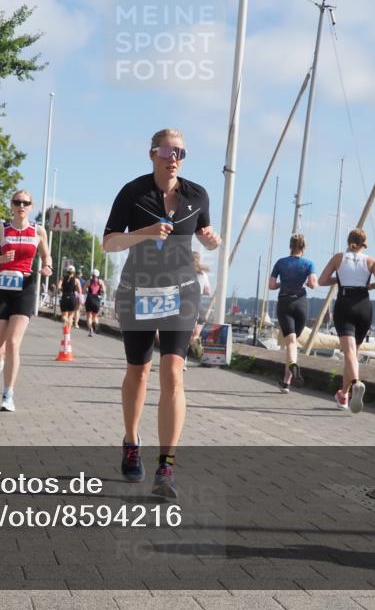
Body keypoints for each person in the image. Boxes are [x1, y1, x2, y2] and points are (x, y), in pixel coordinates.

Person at [103, 128, 221, 498]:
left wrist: (210, 239)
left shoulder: (197, 193)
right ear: (153, 153)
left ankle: (166, 467)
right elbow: (109, 243)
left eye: (181, 152)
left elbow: (205, 230)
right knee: (138, 371)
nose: (175, 157)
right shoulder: (133, 192)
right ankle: (131, 440)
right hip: (138, 289)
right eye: (168, 151)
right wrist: (146, 232)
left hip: (182, 290)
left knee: (173, 370)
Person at [0, 190, 52, 412]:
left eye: (25, 203)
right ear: (11, 205)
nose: (21, 205)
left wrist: (47, 266)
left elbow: (46, 255)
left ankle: (8, 394)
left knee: (13, 344)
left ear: (31, 206)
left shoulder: (38, 230)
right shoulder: (0, 228)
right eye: (17, 202)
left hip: (25, 288)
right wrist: (1, 259)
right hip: (2, 287)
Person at [317, 228, 375, 413]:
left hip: (345, 303)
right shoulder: (371, 261)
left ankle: (356, 383)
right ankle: (343, 395)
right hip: (364, 305)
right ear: (364, 244)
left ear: (349, 242)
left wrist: (339, 279)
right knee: (353, 354)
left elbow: (322, 281)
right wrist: (369, 285)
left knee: (348, 352)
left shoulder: (338, 258)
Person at [269, 233, 318, 392]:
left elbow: (271, 285)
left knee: (290, 342)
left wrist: (281, 284)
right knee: (293, 343)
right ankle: (286, 382)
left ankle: (289, 375)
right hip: (301, 304)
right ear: (304, 247)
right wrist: (305, 282)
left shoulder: (281, 262)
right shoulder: (309, 264)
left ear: (290, 246)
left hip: (285, 302)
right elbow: (313, 284)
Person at [188, 251, 212, 358]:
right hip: (198, 304)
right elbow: (208, 291)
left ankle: (183, 360)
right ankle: (197, 349)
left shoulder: (185, 272)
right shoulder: (203, 274)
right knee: (196, 334)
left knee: (184, 335)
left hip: (186, 305)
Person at [58, 265, 82, 330]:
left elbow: (59, 287)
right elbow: (80, 291)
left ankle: (65, 321)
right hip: (72, 298)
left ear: (67, 271)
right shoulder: (76, 280)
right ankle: (68, 333)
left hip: (64, 297)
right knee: (71, 316)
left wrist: (61, 290)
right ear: (74, 272)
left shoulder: (62, 278)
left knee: (64, 315)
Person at [84, 269, 106, 336]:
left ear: (92, 275)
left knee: (89, 317)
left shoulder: (88, 282)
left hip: (89, 299)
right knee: (95, 316)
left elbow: (83, 290)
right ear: (98, 275)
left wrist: (87, 290)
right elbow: (104, 291)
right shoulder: (100, 282)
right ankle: (97, 326)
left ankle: (91, 330)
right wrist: (101, 290)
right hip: (96, 300)